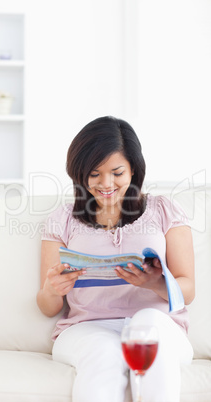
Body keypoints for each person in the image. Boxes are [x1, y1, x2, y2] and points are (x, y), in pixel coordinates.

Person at [37, 116, 195, 402]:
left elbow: (188, 290)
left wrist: (156, 283)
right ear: (79, 173)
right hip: (86, 330)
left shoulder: (164, 211)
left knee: (147, 324)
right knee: (104, 351)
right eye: (94, 173)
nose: (105, 184)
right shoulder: (61, 219)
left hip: (159, 326)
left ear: (133, 169)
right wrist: (51, 289)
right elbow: (48, 307)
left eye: (117, 172)